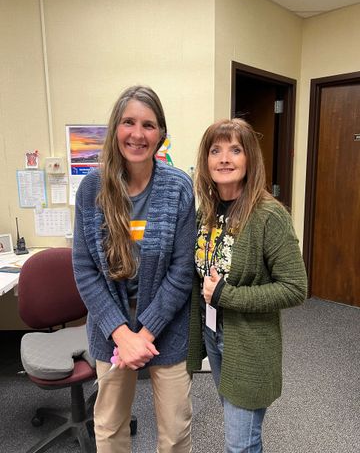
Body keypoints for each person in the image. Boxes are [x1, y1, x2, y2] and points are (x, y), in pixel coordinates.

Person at [73, 85, 196, 453]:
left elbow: (181, 269)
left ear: (161, 134)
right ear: (116, 128)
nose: (138, 134)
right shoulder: (92, 188)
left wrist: (146, 331)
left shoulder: (178, 187)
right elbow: (84, 270)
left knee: (175, 429)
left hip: (168, 327)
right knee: (109, 426)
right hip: (110, 330)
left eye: (148, 124)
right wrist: (121, 333)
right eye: (129, 122)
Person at [187, 118, 307, 453]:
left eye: (235, 150)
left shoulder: (269, 215)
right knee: (241, 426)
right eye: (216, 150)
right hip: (214, 334)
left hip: (250, 344)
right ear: (206, 160)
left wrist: (228, 295)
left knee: (239, 442)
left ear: (249, 159)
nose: (224, 158)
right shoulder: (207, 212)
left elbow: (296, 288)